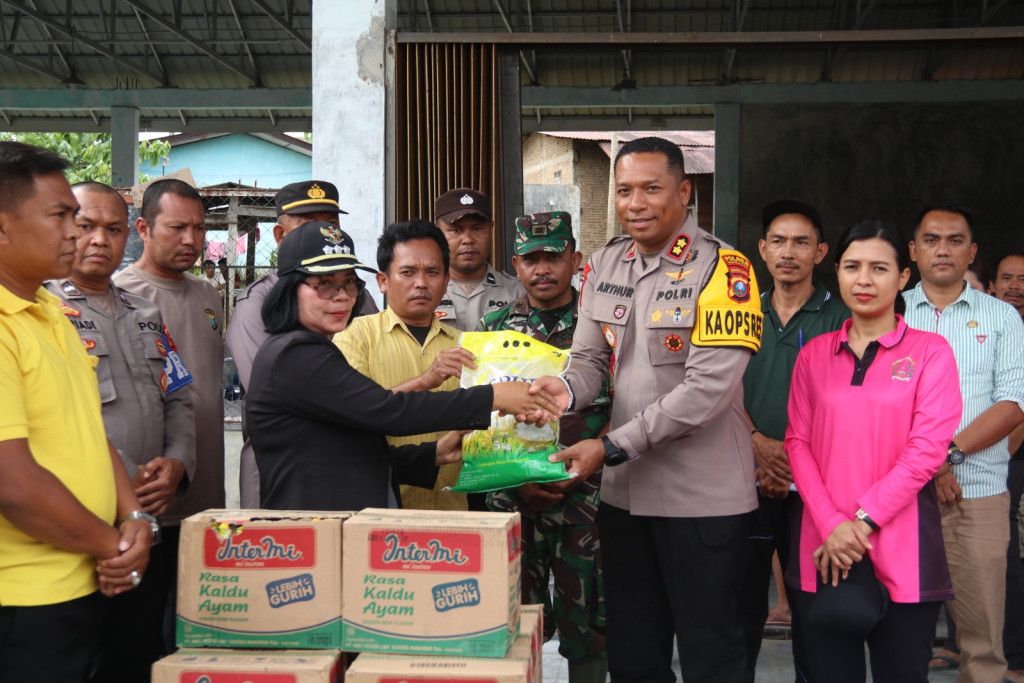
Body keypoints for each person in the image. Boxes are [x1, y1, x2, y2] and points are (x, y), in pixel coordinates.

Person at [537, 136, 765, 682]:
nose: (635, 204)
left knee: (713, 655)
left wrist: (611, 446)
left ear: (684, 192)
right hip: (625, 498)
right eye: (624, 191)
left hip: (702, 501)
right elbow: (588, 360)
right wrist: (558, 393)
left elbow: (706, 391)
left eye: (650, 189)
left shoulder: (726, 271)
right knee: (634, 654)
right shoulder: (604, 263)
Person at [245, 221, 561, 511]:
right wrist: (493, 396)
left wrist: (433, 454)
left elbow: (344, 456)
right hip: (312, 532)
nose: (342, 297)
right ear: (290, 288)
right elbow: (386, 410)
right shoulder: (294, 353)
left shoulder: (309, 348)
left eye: (349, 283)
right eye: (325, 284)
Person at [785, 219, 963, 683]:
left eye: (879, 268)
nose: (863, 279)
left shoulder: (931, 352)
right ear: (837, 273)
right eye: (852, 267)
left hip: (904, 552)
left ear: (903, 277)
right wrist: (831, 524)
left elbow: (926, 452)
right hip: (824, 548)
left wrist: (859, 524)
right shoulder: (814, 354)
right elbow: (797, 444)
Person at [0, 141, 151, 682]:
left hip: (83, 580)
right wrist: (113, 544)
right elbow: (13, 485)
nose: (76, 234)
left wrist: (135, 518)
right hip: (23, 597)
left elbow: (91, 435)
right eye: (61, 217)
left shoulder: (50, 311)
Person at [44, 181, 194, 682]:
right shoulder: (43, 312)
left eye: (113, 229)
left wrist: (177, 464)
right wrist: (127, 480)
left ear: (129, 234)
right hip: (78, 517)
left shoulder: (145, 313)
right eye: (86, 226)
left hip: (149, 516)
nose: (99, 240)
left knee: (136, 650)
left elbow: (180, 395)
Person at [477, 212, 610, 683]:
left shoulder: (602, 327)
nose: (542, 269)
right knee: (511, 620)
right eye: (530, 259)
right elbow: (484, 412)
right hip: (514, 498)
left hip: (587, 498)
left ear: (575, 259)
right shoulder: (494, 327)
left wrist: (593, 456)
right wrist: (518, 480)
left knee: (589, 624)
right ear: (515, 264)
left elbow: (627, 404)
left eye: (553, 257)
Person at [904, 204, 1024, 683]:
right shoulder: (889, 311)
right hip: (898, 498)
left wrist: (944, 457)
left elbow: (1013, 403)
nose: (943, 249)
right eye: (931, 239)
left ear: (972, 252)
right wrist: (930, 467)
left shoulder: (1002, 318)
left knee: (981, 641)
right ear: (913, 251)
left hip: (977, 494)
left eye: (955, 241)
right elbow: (873, 406)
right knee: (899, 634)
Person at [113, 179, 225, 650]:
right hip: (148, 500)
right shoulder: (122, 295)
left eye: (199, 229)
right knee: (139, 636)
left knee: (196, 633)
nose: (190, 240)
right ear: (143, 228)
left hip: (205, 497)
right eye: (177, 228)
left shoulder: (208, 294)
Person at [739, 199, 849, 679]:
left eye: (801, 242)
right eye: (778, 241)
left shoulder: (842, 318)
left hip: (815, 490)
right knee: (740, 606)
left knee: (813, 608)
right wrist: (757, 442)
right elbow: (716, 387)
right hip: (743, 479)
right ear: (762, 250)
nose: (789, 252)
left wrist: (789, 460)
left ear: (820, 253)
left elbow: (846, 404)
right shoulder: (741, 312)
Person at [226, 180, 377, 507]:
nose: (322, 233)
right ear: (280, 235)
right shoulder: (256, 305)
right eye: (308, 225)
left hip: (352, 462)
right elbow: (286, 393)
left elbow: (379, 372)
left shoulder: (358, 297)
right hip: (284, 470)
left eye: (330, 224)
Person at [335, 220, 475, 511]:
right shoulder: (355, 336)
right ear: (383, 281)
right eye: (408, 272)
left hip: (453, 512)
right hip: (381, 512)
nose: (421, 283)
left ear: (446, 281)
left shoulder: (466, 345)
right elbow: (352, 420)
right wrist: (425, 380)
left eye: (432, 272)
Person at [991, 253, 1024, 682]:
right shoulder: (992, 324)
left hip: (1010, 459)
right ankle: (956, 643)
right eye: (1008, 278)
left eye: (1023, 279)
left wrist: (1002, 460)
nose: (1015, 285)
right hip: (974, 456)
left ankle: (1015, 658)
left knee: (1010, 557)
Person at [433, 187, 523, 331]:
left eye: (477, 229)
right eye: (456, 230)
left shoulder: (519, 293)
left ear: (491, 228)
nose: (468, 239)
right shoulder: (424, 293)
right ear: (438, 232)